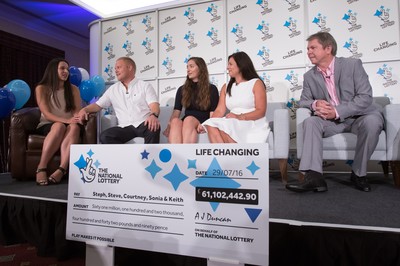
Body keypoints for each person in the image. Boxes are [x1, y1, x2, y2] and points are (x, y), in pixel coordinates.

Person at [285, 32, 384, 193]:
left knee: (373, 122)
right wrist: (315, 103)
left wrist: (337, 111)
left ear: (328, 48)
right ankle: (314, 177)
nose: (309, 52)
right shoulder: (309, 76)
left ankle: (359, 173)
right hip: (332, 123)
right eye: (308, 48)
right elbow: (303, 101)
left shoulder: (352, 65)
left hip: (360, 117)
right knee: (310, 122)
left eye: (313, 47)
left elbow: (365, 97)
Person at [78, 57, 160, 144]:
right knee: (105, 136)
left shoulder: (144, 86)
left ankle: (151, 157)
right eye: (115, 68)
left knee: (153, 127)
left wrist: (153, 116)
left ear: (129, 67)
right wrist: (84, 109)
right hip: (124, 127)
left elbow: (154, 105)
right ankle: (126, 157)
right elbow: (98, 105)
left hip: (143, 124)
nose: (116, 71)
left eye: (119, 67)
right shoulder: (113, 89)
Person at [200, 51, 270, 143]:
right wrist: (206, 123)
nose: (227, 67)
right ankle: (222, 156)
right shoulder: (226, 86)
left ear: (241, 65)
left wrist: (239, 117)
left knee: (225, 126)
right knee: (211, 125)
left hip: (252, 121)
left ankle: (235, 156)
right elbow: (220, 110)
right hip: (232, 120)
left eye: (230, 64)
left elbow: (261, 111)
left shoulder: (256, 83)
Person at [35, 58, 84, 186]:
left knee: (74, 127)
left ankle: (62, 169)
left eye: (67, 69)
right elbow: (47, 114)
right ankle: (41, 167)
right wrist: (66, 120)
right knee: (59, 126)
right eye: (62, 68)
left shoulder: (73, 89)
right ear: (53, 70)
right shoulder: (42, 88)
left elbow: (76, 111)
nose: (66, 72)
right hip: (48, 123)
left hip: (69, 123)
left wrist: (78, 117)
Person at [162, 57, 219, 143]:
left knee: (188, 119)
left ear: (200, 68)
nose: (188, 70)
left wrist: (206, 126)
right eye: (187, 67)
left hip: (202, 121)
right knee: (175, 121)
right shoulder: (182, 89)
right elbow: (176, 112)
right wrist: (170, 125)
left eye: (191, 66)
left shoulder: (212, 89)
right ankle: (176, 155)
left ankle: (187, 154)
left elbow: (213, 114)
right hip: (187, 121)